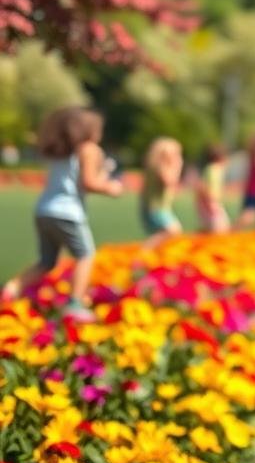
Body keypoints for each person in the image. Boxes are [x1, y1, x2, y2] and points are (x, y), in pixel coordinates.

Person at [1, 106, 123, 321]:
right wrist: (110, 187)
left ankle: (12, 288)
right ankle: (75, 304)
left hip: (44, 211)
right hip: (68, 213)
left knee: (47, 262)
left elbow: (75, 178)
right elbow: (88, 182)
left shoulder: (62, 150)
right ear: (89, 130)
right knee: (85, 255)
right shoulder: (88, 148)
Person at [140, 136, 183, 247]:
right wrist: (177, 166)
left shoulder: (155, 166)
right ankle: (145, 250)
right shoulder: (161, 167)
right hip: (157, 208)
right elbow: (169, 181)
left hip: (158, 207)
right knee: (173, 231)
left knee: (168, 233)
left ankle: (153, 255)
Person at [195, 143, 230, 233]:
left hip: (212, 202)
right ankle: (196, 239)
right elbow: (203, 186)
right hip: (210, 202)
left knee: (221, 226)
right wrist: (210, 202)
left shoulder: (214, 170)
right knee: (219, 227)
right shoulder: (213, 170)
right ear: (222, 158)